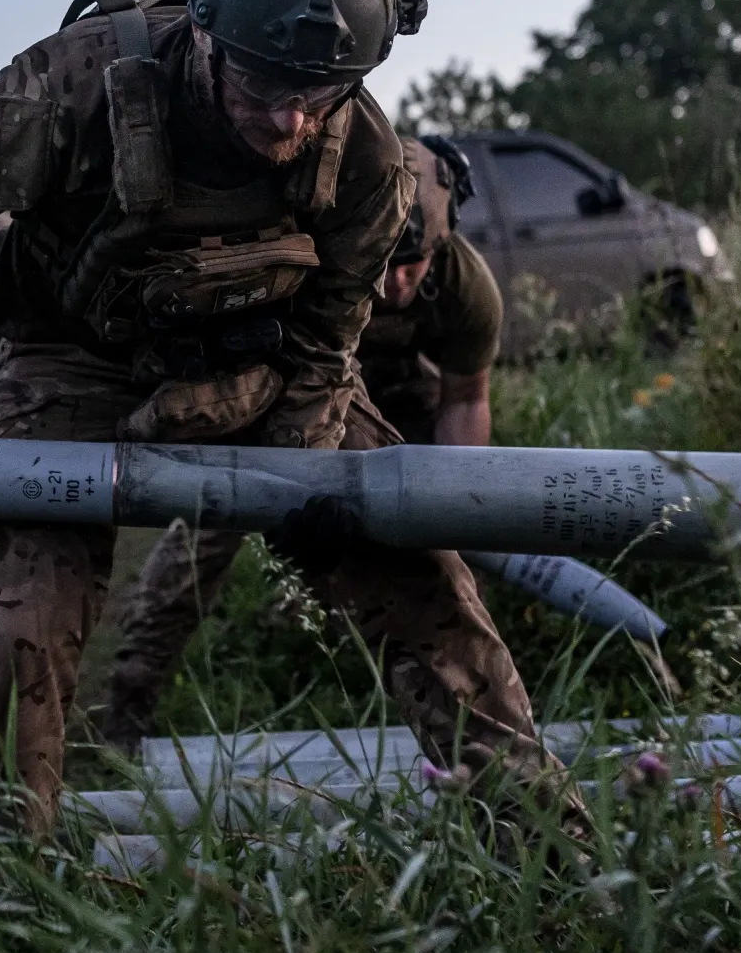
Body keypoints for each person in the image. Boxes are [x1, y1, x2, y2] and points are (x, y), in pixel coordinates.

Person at [0, 0, 558, 830]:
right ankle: (5, 883)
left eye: (315, 96)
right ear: (202, 30)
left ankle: (536, 836)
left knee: (425, 586)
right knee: (15, 635)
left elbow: (330, 338)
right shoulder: (73, 85)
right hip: (68, 360)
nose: (287, 123)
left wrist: (303, 477)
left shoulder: (366, 156)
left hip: (267, 363)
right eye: (260, 87)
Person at [100, 135, 513, 747]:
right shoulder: (306, 262)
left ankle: (463, 702)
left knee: (437, 566)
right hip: (290, 410)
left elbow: (465, 401)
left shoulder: (464, 286)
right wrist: (299, 474)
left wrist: (449, 502)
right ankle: (127, 710)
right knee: (198, 548)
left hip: (400, 408)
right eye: (385, 260)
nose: (396, 281)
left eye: (413, 263)